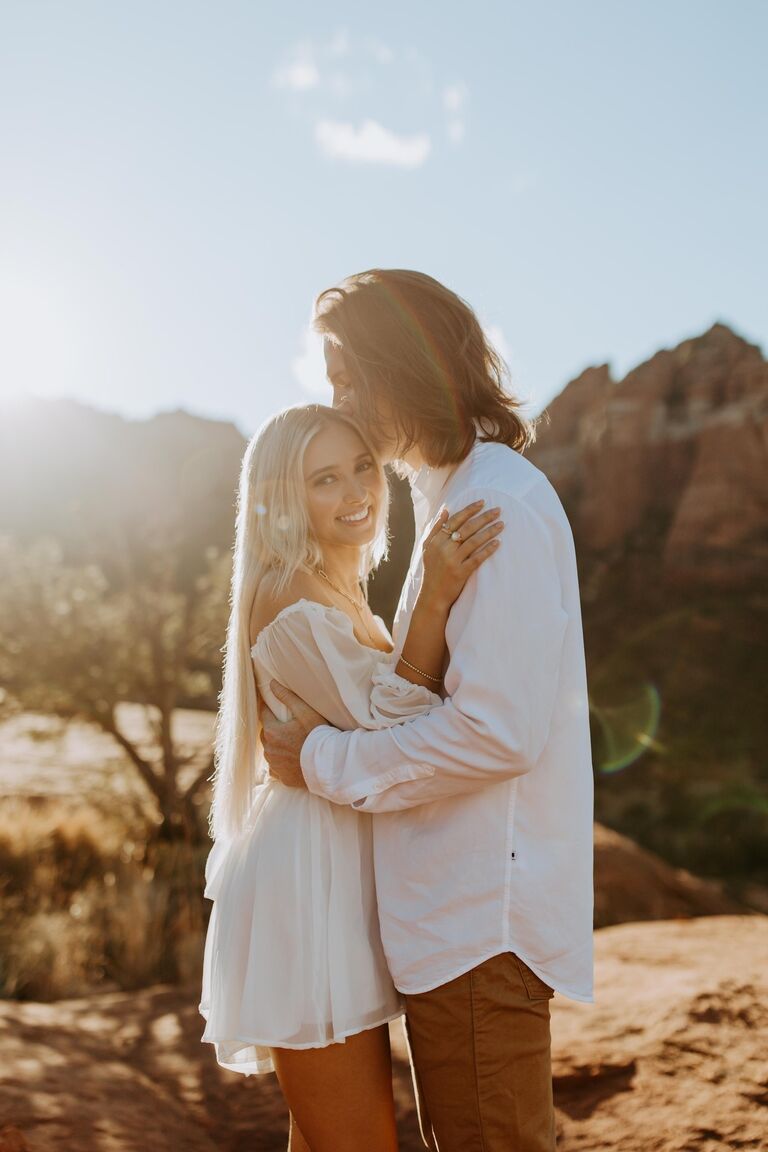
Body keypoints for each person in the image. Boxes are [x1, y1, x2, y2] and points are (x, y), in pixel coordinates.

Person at [261, 269, 595, 1152]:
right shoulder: (450, 498)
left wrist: (321, 762)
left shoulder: (499, 506)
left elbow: (497, 732)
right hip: (449, 926)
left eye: (346, 375)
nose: (338, 397)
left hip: (480, 928)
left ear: (400, 368)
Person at [199, 402, 503, 1152]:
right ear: (281, 497)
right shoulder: (290, 597)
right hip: (309, 887)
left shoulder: (330, 586)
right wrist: (434, 595)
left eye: (362, 466)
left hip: (336, 873)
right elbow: (395, 726)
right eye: (324, 479)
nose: (357, 491)